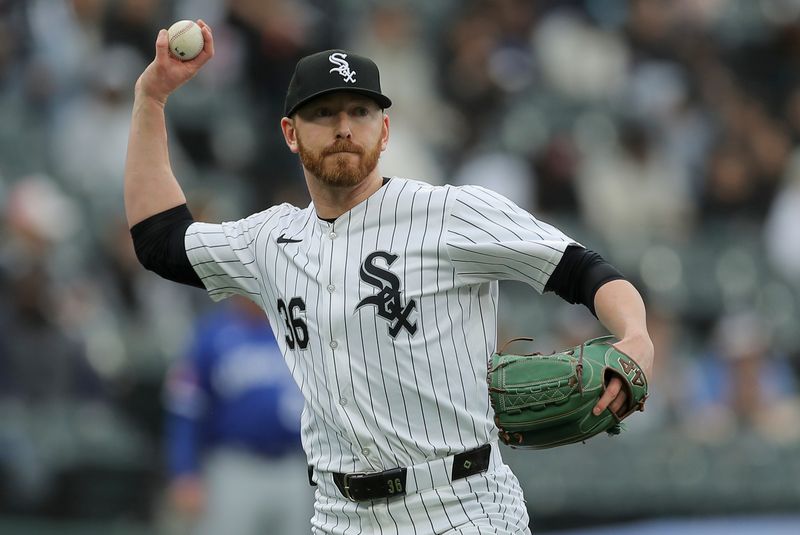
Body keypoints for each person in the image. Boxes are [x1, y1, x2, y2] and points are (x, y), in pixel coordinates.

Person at [125, 20, 655, 534]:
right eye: (323, 113)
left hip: (463, 506)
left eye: (360, 110)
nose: (343, 128)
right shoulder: (269, 241)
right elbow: (160, 242)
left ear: (385, 128)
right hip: (339, 516)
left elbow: (584, 270)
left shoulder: (449, 213)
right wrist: (151, 100)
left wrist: (635, 336)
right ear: (290, 133)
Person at [163, 295, 311, 534]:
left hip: (294, 466)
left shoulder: (298, 332)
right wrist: (185, 471)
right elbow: (185, 409)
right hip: (234, 467)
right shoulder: (210, 335)